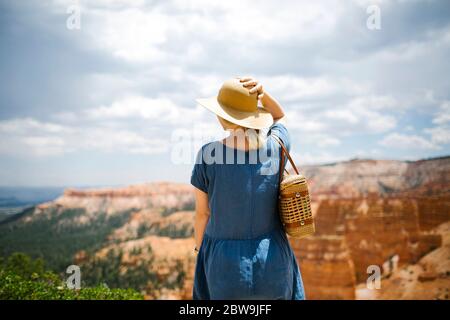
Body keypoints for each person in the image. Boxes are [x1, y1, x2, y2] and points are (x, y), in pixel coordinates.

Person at [190, 76, 305, 300]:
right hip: (273, 259)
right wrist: (262, 94)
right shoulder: (276, 146)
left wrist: (199, 250)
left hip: (223, 265)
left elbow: (202, 214)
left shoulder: (207, 155)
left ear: (223, 116)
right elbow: (280, 116)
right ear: (254, 116)